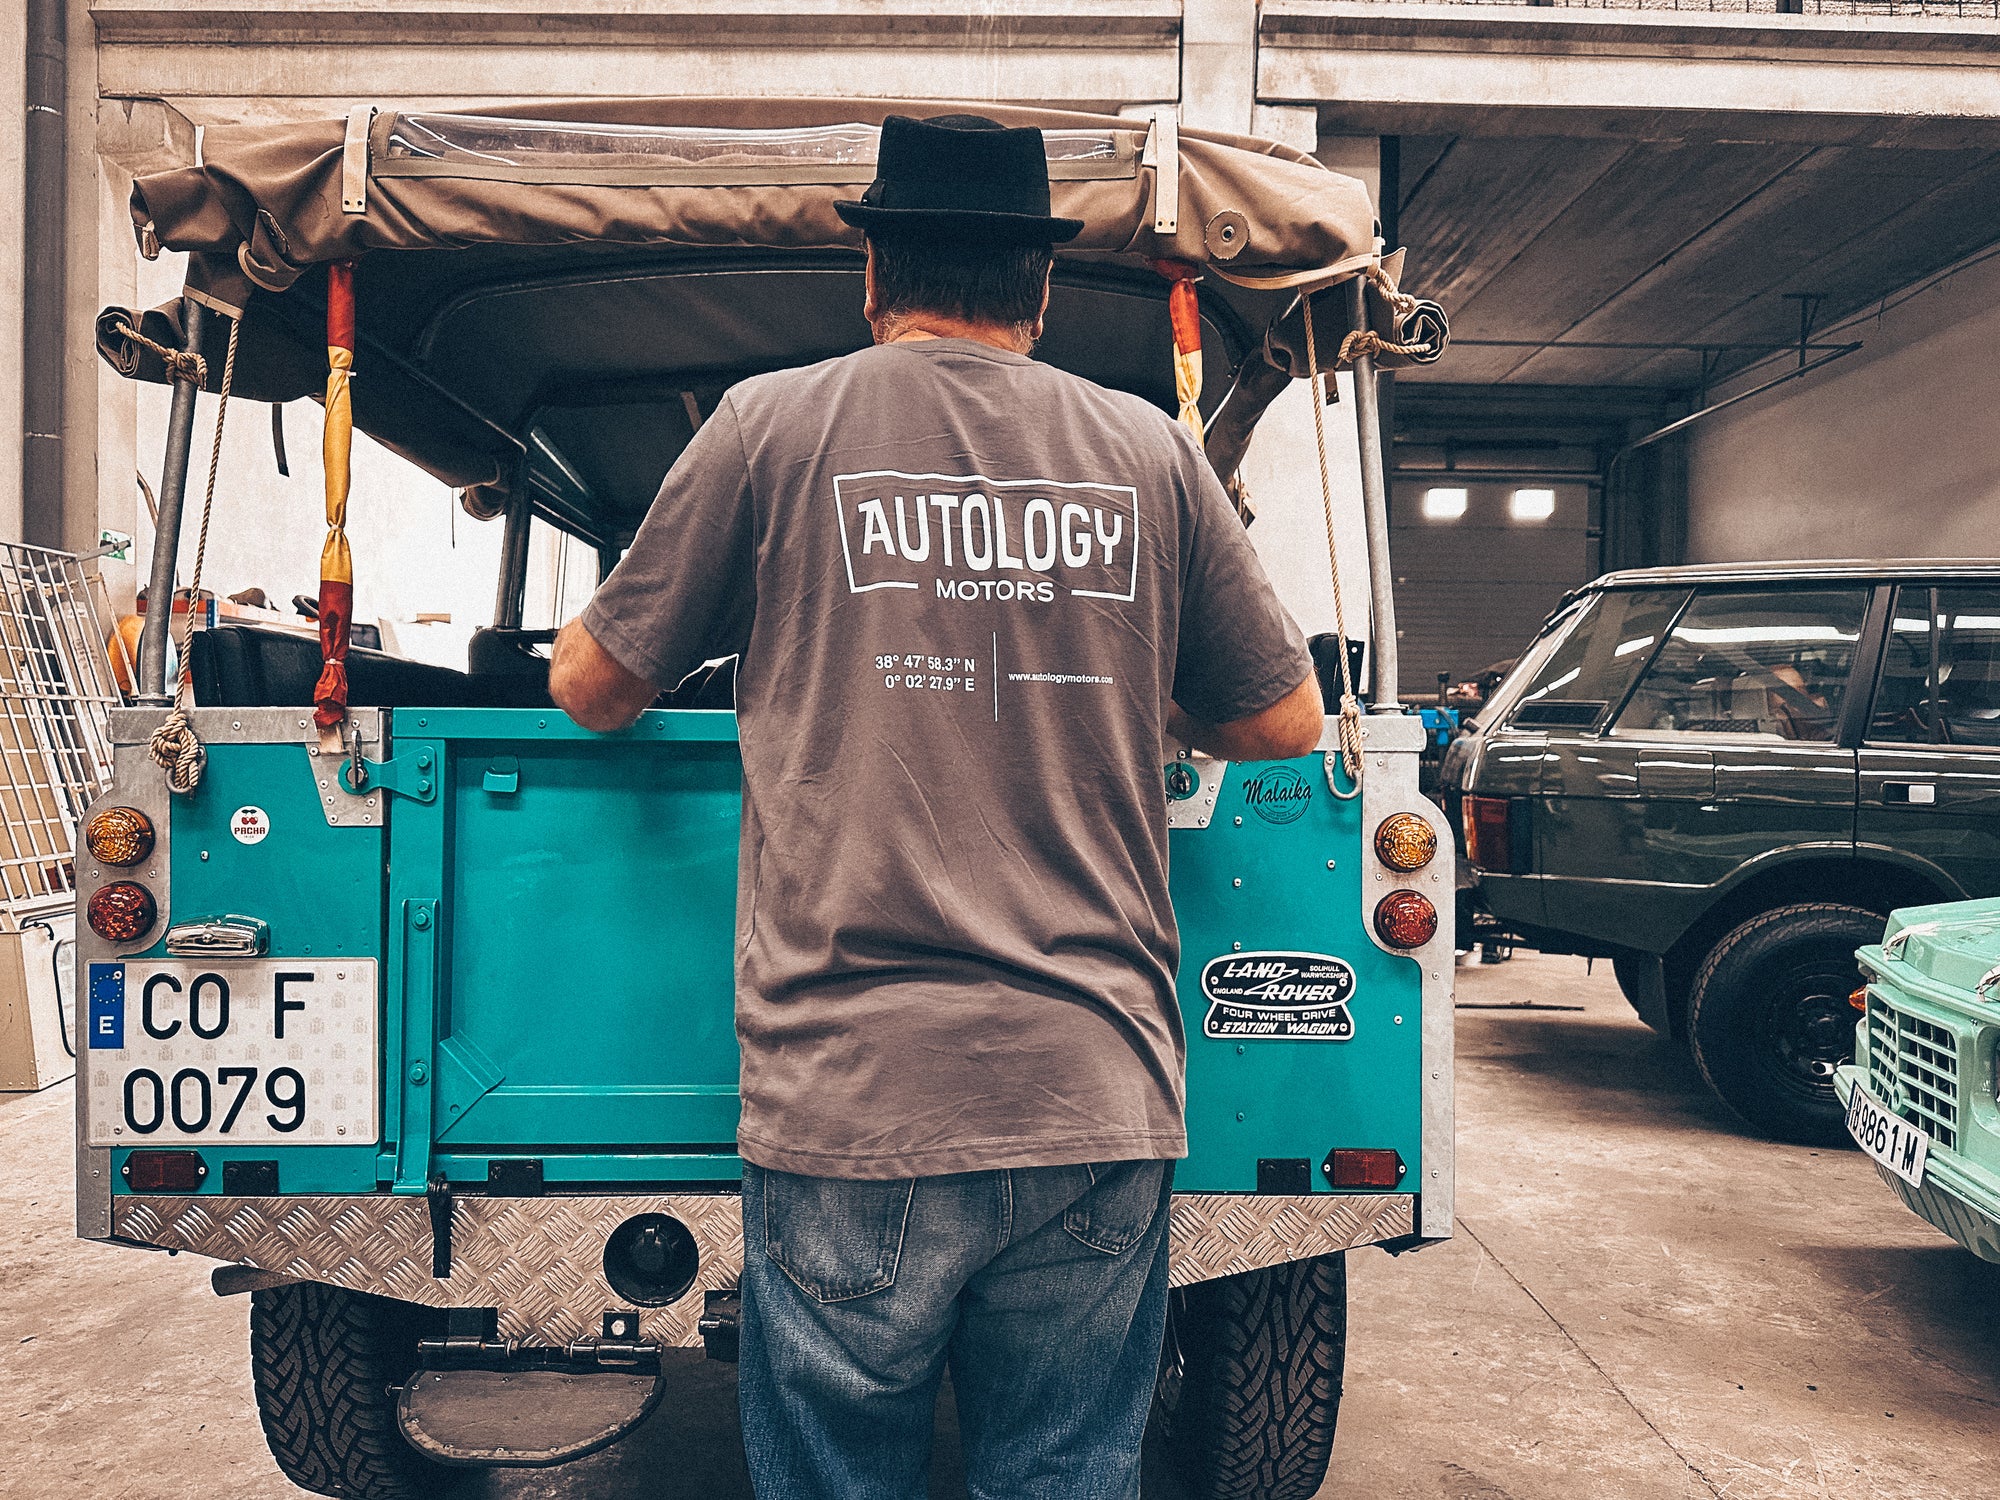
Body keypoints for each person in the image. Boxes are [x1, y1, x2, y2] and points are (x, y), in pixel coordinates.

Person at [550, 112, 1320, 1500]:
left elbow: (592, 689)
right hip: (1095, 1086)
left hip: (857, 1097)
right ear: (1040, 285)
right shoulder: (1150, 450)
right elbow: (1285, 721)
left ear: (873, 275)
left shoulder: (769, 426)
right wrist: (1131, 690)